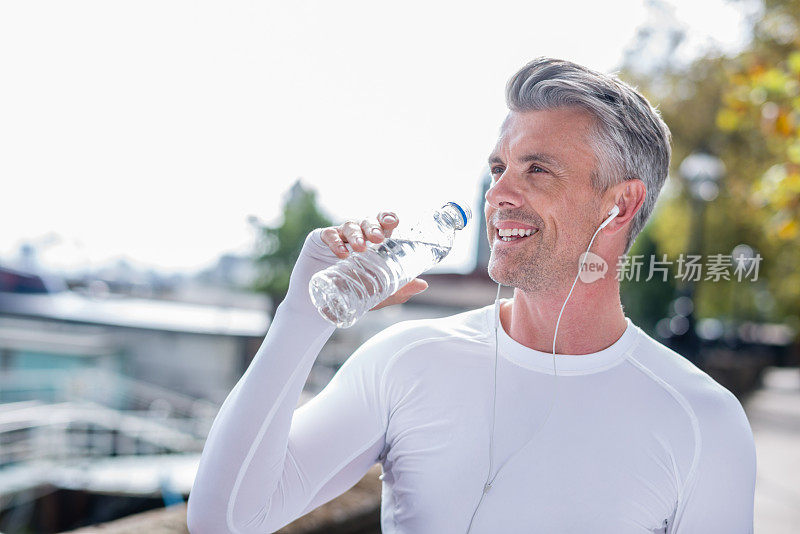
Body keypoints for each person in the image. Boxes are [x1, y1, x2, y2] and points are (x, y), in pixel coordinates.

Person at [187, 58, 756, 533]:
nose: (499, 192)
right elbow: (225, 519)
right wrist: (303, 318)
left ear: (621, 205)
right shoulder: (407, 361)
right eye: (498, 167)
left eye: (537, 169)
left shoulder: (702, 421)